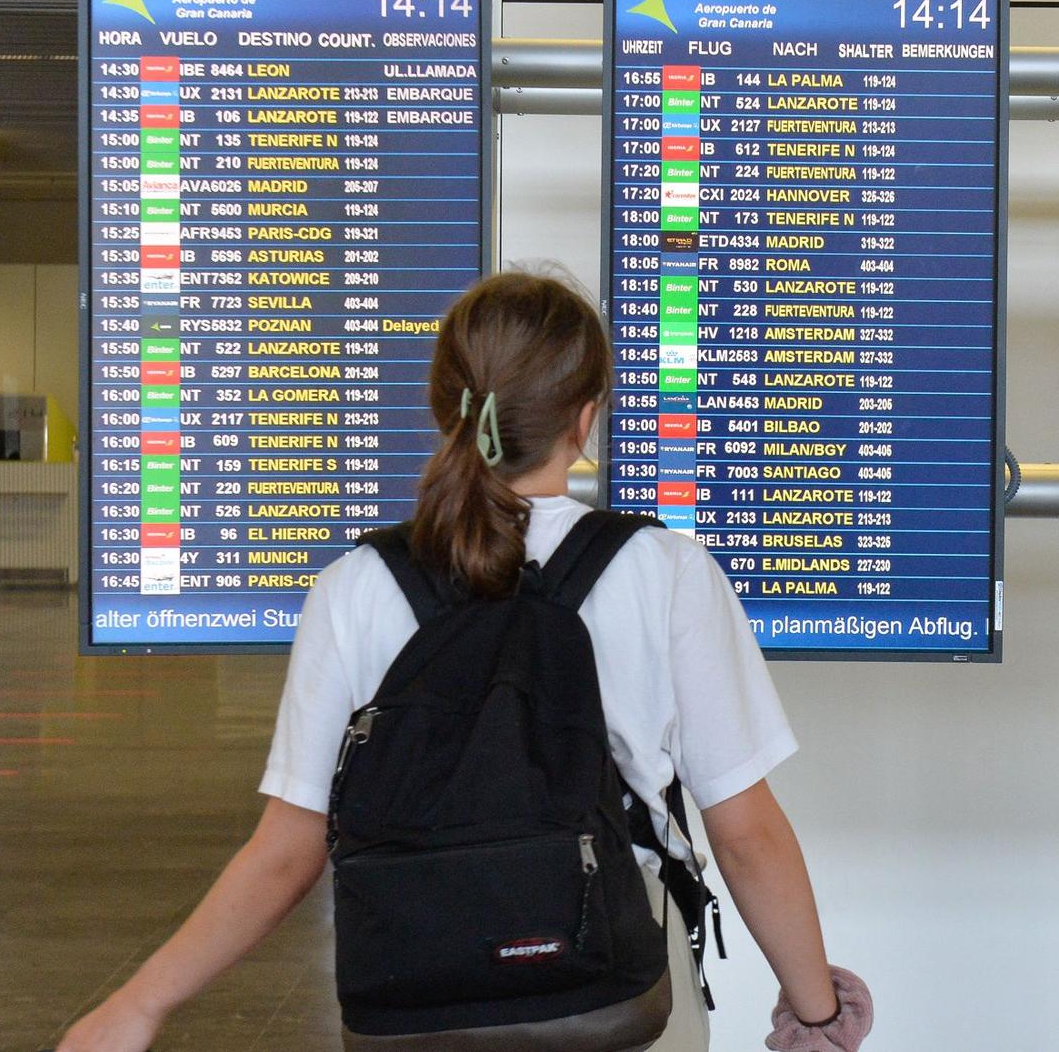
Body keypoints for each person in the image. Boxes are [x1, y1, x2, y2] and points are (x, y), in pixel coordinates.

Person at [57, 270, 870, 1052]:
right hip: (615, 995)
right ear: (584, 419)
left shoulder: (355, 586)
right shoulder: (665, 573)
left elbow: (287, 850)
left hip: (418, 1002)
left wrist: (140, 1003)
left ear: (444, 405)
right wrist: (818, 1011)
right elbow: (746, 835)